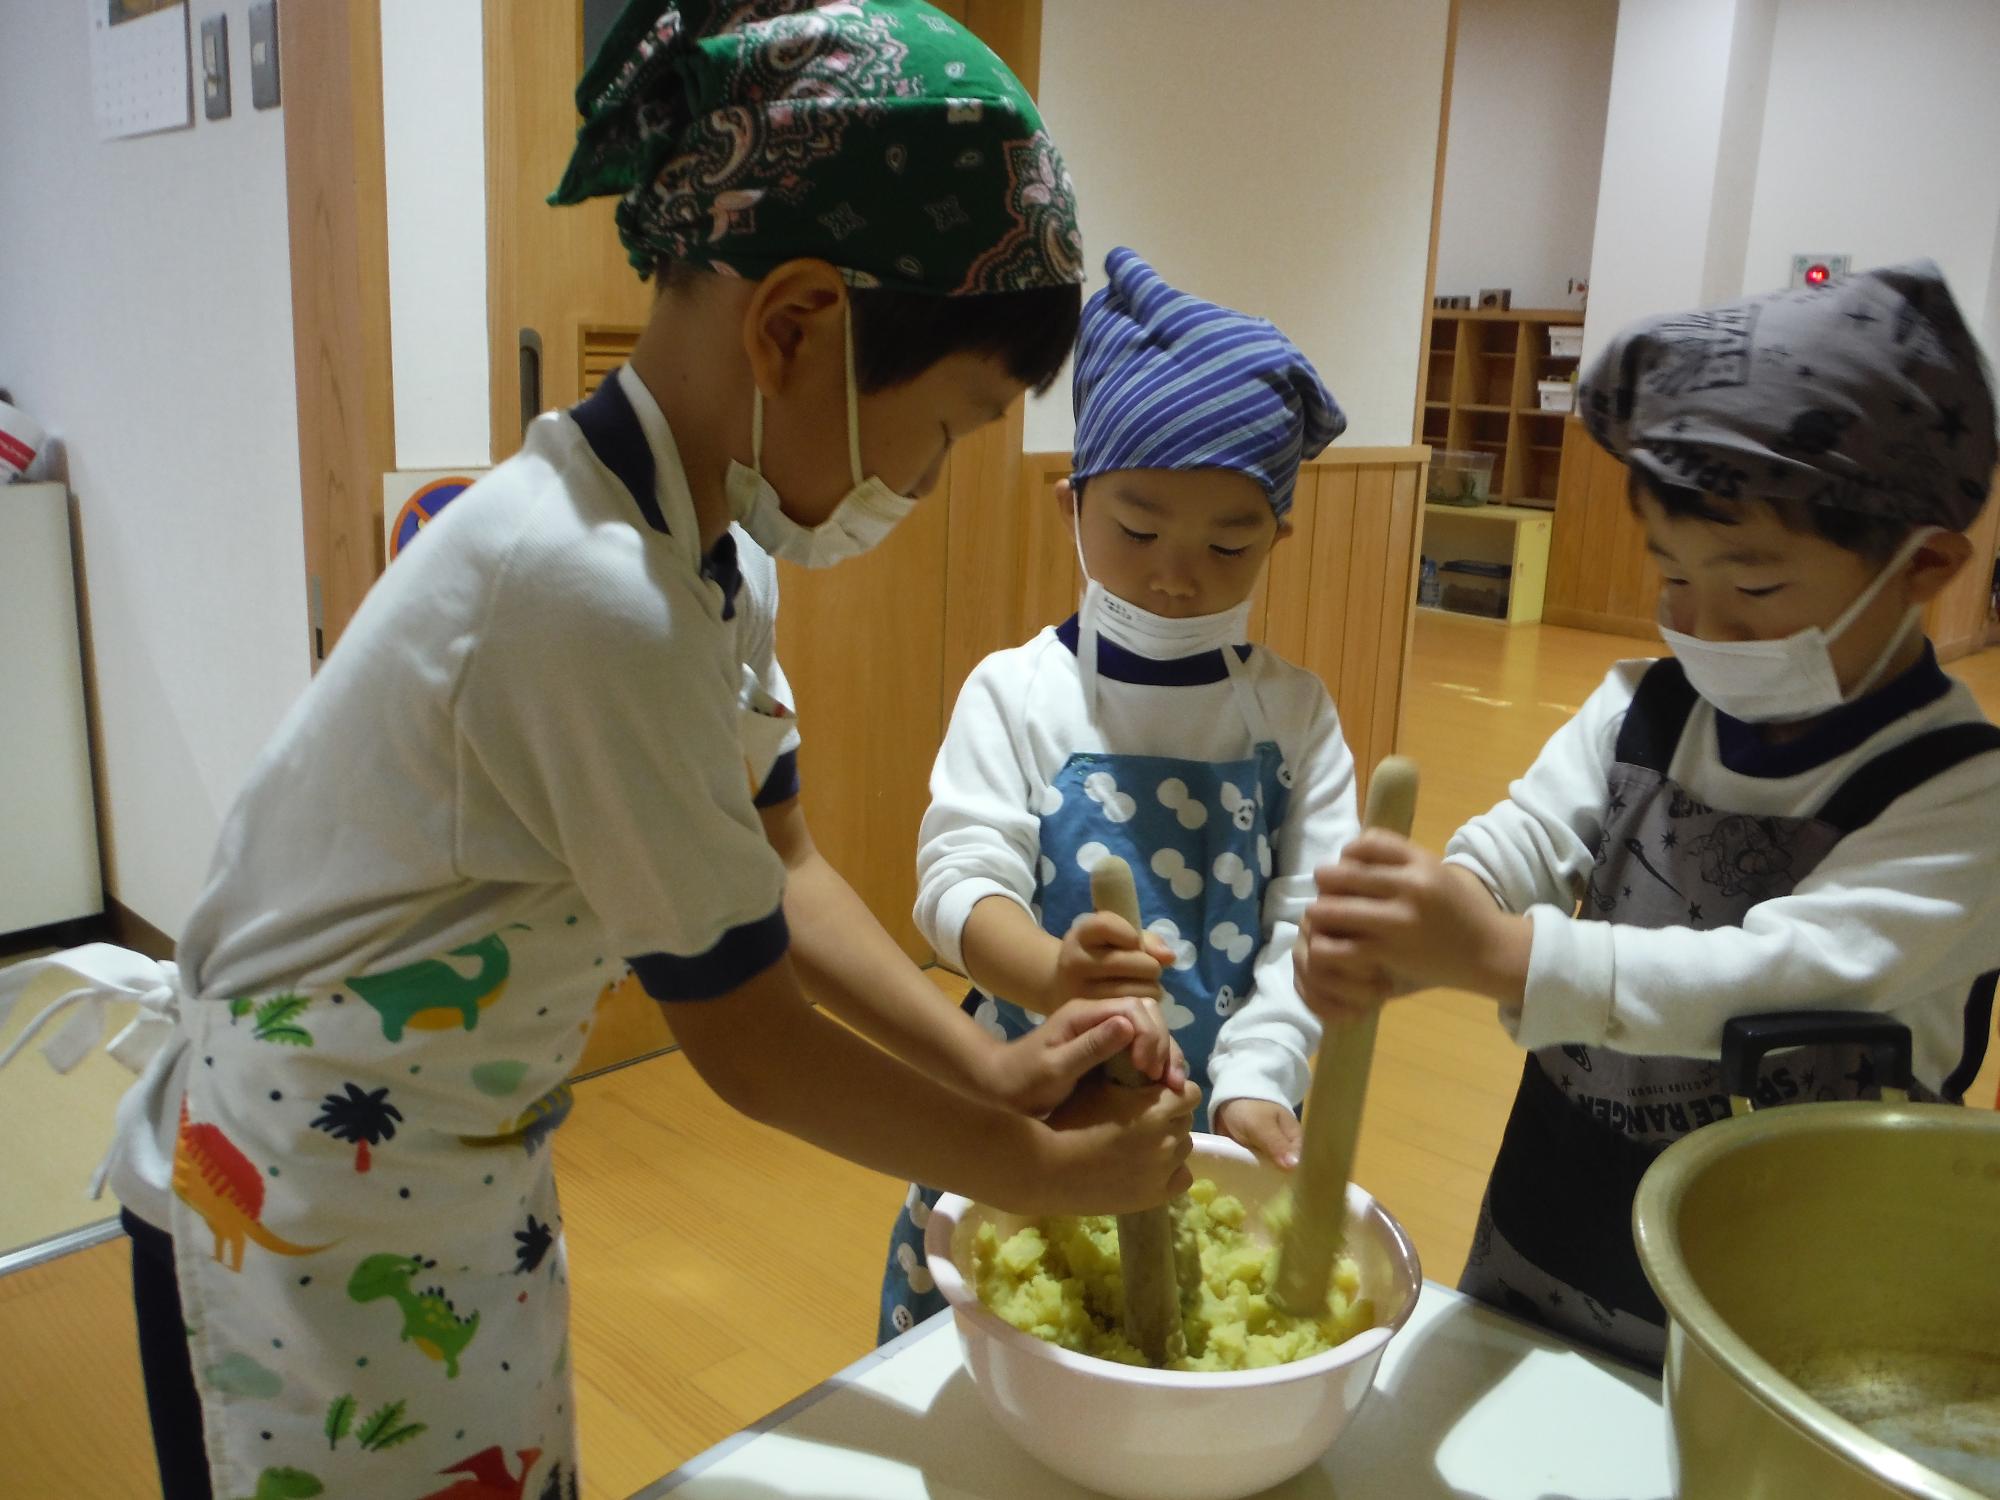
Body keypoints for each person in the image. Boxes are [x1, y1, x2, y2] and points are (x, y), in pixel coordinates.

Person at [0, 6, 1198, 1495]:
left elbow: (778, 859)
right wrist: (1030, 1174)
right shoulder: (582, 592)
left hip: (449, 1153)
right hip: (295, 1193)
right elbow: (751, 1041)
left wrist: (986, 1069)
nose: (927, 478)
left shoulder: (709, 552)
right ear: (795, 325)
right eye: (948, 425)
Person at [1297, 260, 2000, 1366]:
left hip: (1787, 1282)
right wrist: (1434, 919)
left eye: (1753, 590)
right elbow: (1528, 835)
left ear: (1926, 565)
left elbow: (1781, 977)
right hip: (1556, 1218)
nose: (1700, 624)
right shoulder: (1641, 703)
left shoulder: (1964, 800)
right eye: (1669, 575)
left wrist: (1503, 955)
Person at [879, 247, 1359, 1339]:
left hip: (1216, 1131)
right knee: (994, 1348)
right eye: (1136, 529)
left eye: (1229, 540)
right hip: (1026, 1112)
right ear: (1070, 507)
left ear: (1277, 536)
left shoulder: (1290, 715)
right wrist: (1050, 971)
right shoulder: (1018, 694)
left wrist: (1255, 1076)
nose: (1175, 574)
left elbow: (1310, 927)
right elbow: (957, 886)